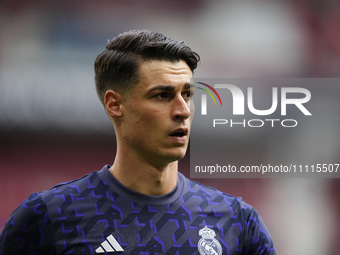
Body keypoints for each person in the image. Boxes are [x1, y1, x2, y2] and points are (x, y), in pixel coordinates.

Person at [0, 30, 277, 255]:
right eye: (162, 95)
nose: (183, 110)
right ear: (114, 104)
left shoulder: (236, 220)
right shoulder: (47, 217)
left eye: (187, 94)